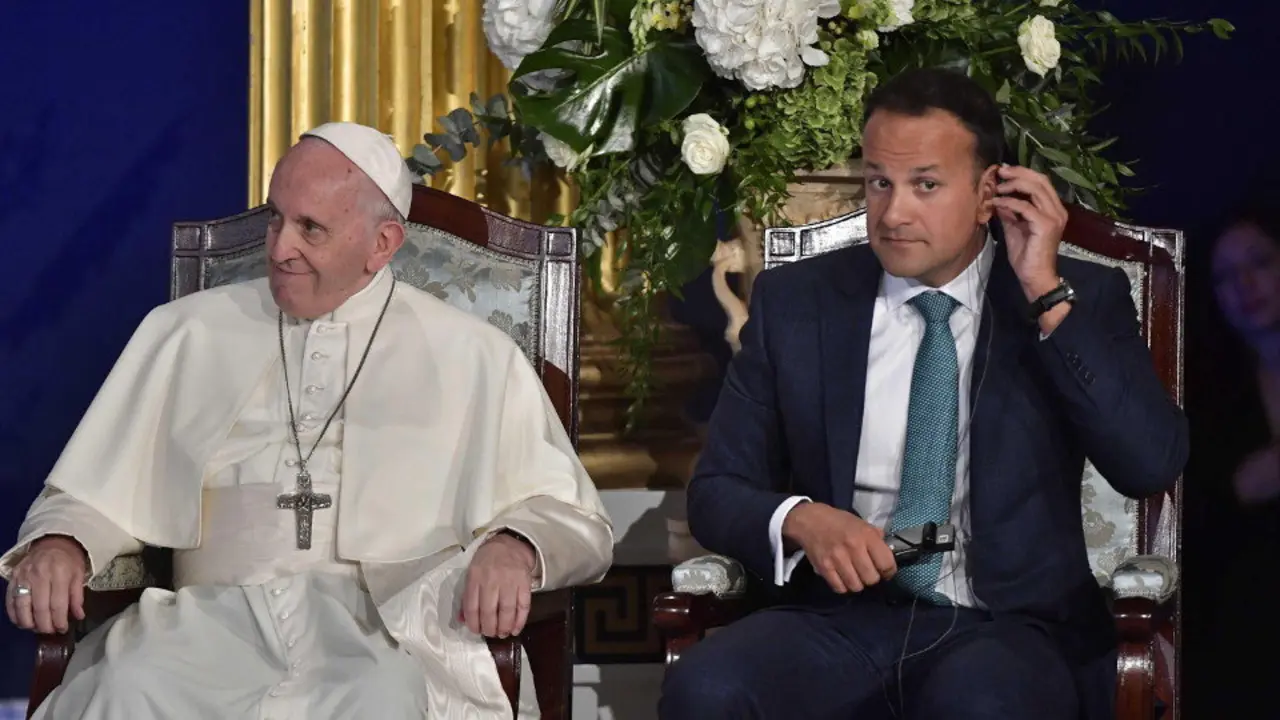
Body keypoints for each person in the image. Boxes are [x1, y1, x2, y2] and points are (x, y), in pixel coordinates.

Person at [0, 121, 613, 719]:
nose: (277, 247)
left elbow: (569, 517)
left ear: (383, 245)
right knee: (128, 687)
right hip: (204, 622)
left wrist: (514, 547)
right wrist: (61, 541)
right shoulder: (185, 331)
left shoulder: (474, 354)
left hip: (386, 628)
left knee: (382, 697)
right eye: (275, 216)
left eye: (310, 229)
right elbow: (96, 491)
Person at [659, 68, 1187, 720]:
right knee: (706, 687)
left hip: (1009, 627)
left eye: (926, 185)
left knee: (979, 703)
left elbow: (1150, 463)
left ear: (989, 190)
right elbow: (716, 492)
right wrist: (802, 519)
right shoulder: (800, 303)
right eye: (880, 181)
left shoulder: (1068, 299)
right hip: (841, 620)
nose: (894, 212)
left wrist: (1046, 296)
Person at [1186, 196, 1280, 717]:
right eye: (1226, 277)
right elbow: (1188, 525)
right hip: (1250, 612)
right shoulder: (1209, 397)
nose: (1246, 286)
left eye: (1260, 263)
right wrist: (1237, 492)